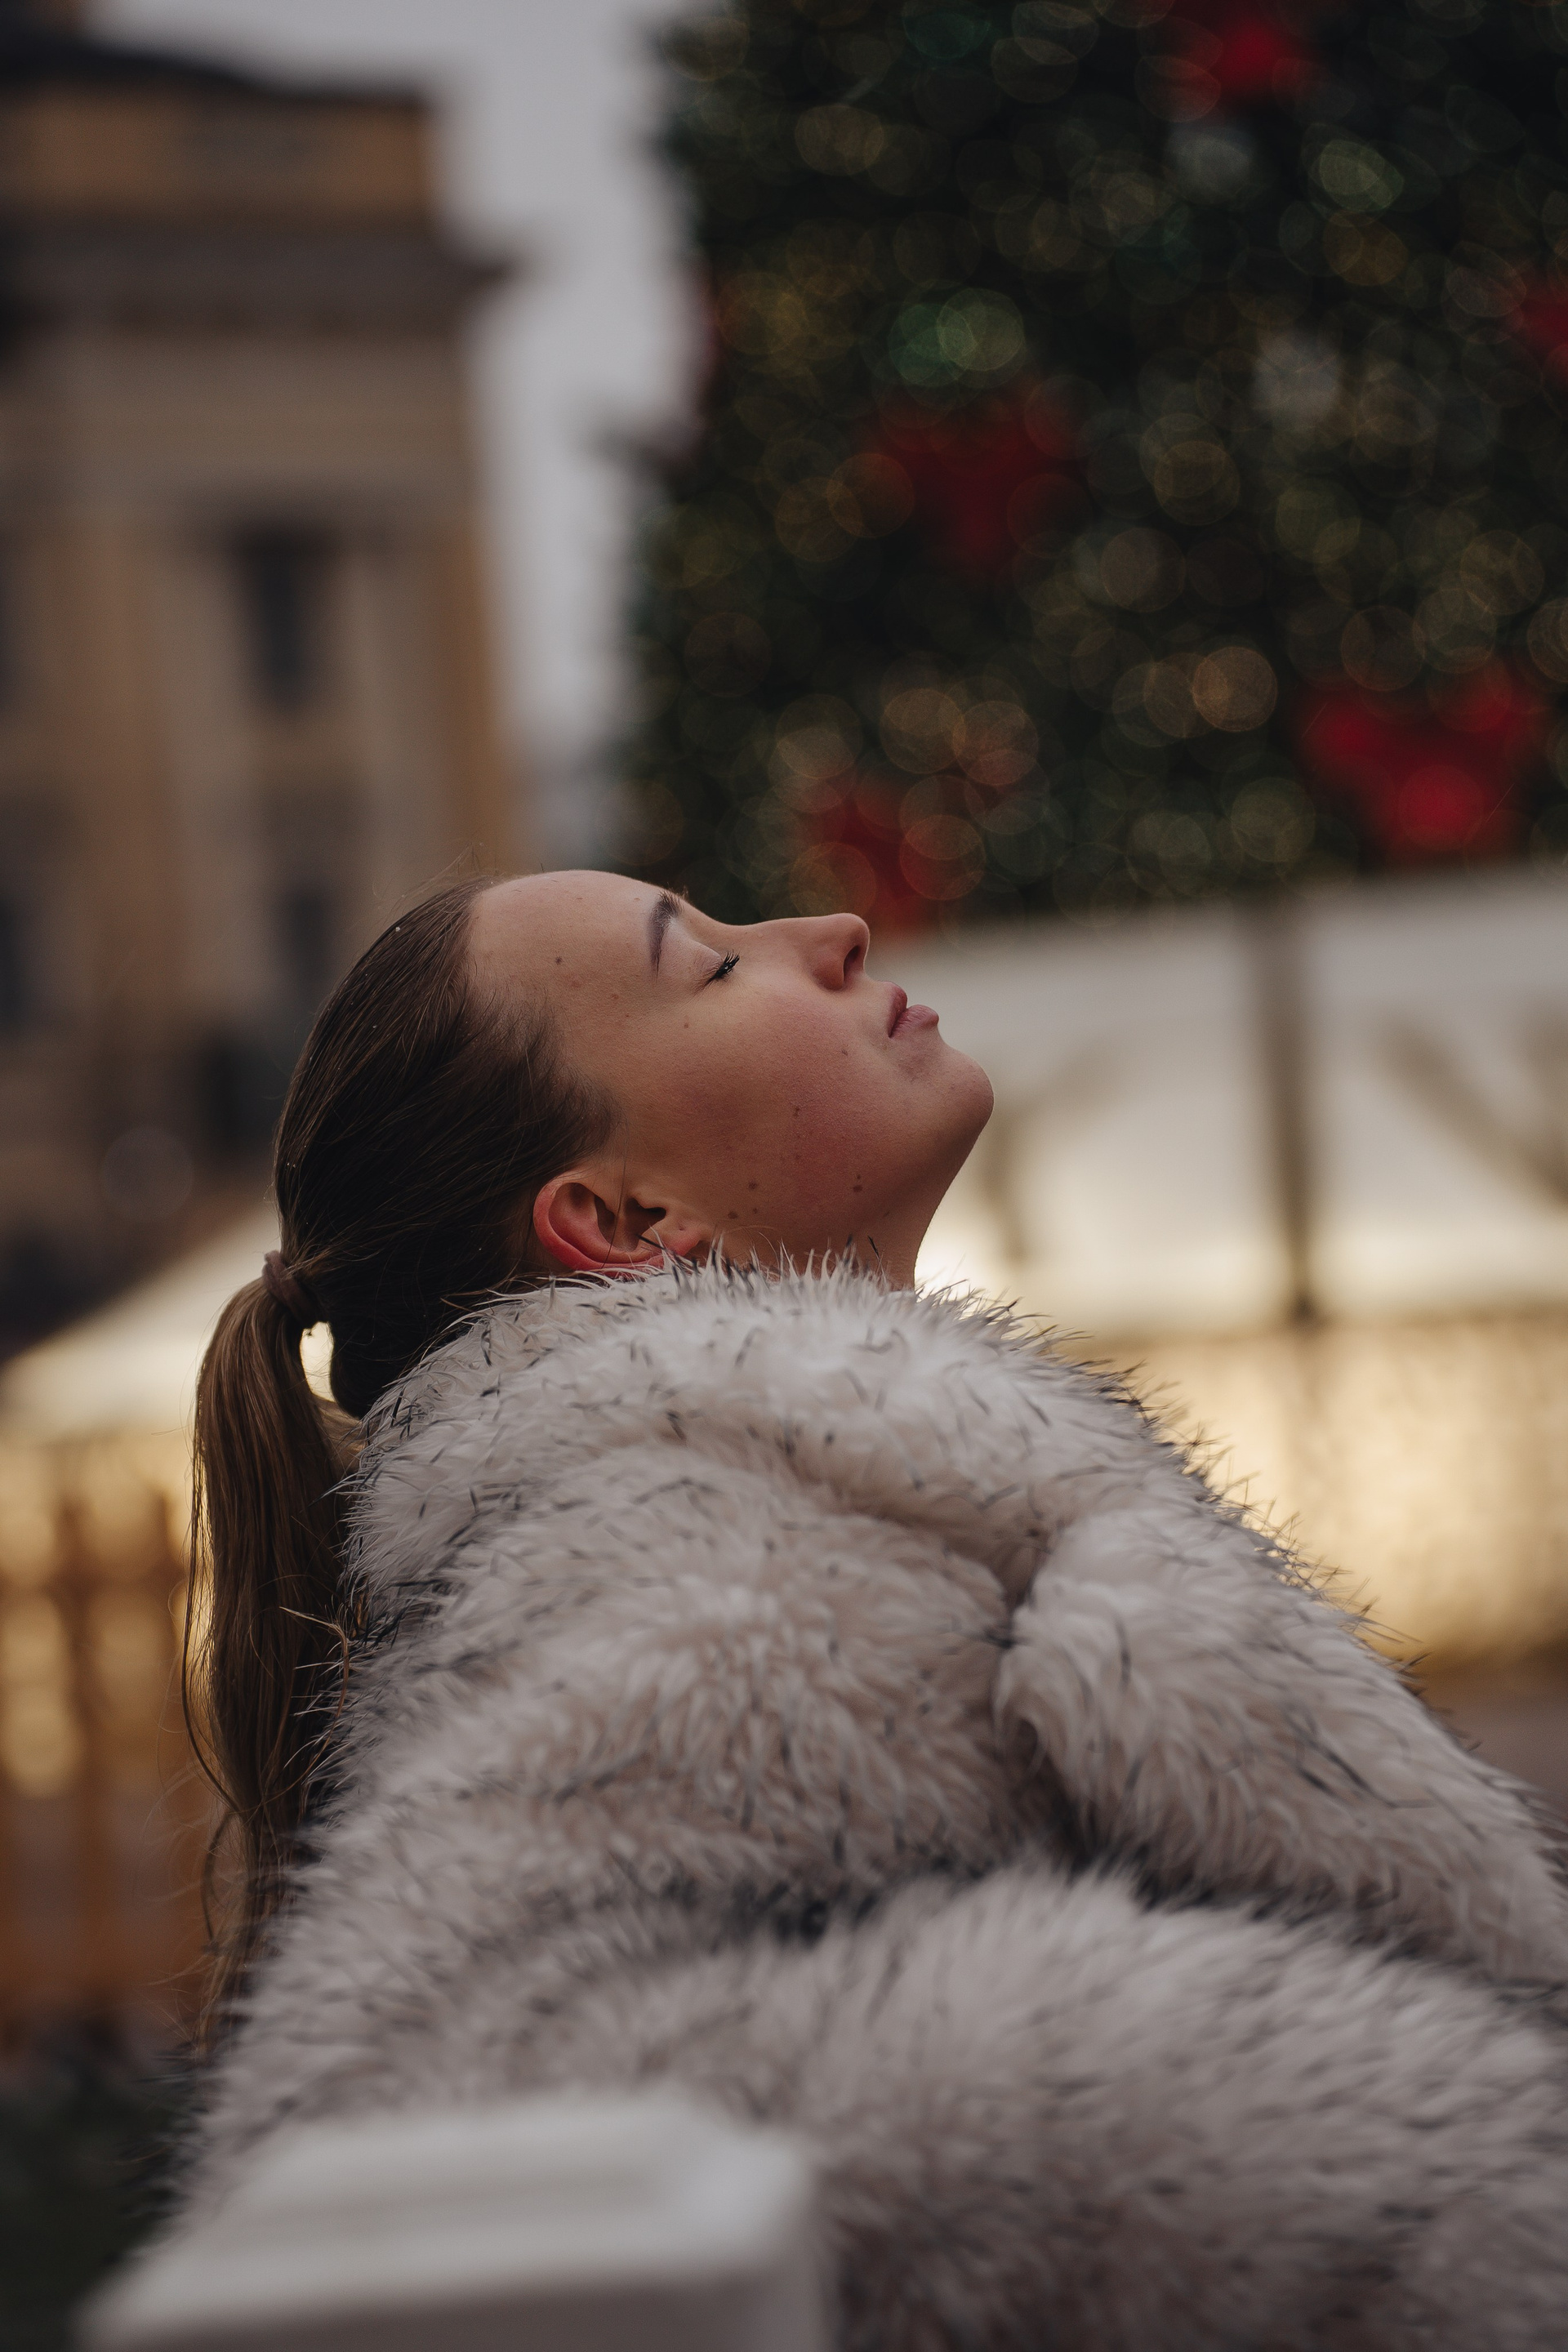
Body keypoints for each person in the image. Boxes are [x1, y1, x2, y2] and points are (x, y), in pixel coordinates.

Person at [183, 871, 1568, 2350]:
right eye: (710, 967)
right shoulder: (692, 1536)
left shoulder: (754, 1487)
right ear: (623, 1219)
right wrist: (1446, 2187)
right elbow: (440, 2131)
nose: (831, 933)